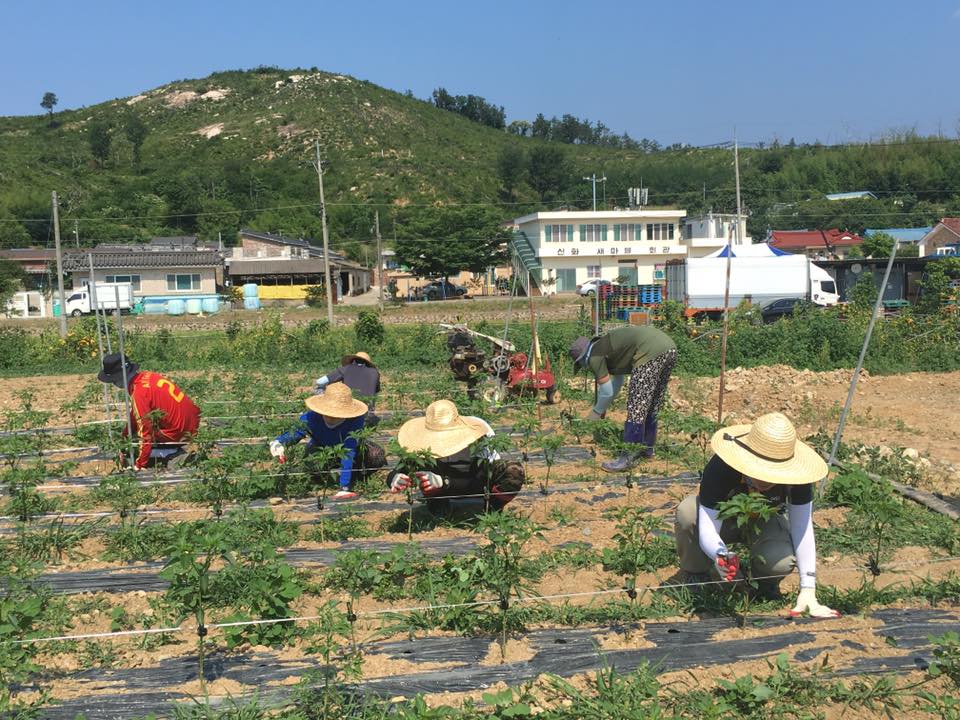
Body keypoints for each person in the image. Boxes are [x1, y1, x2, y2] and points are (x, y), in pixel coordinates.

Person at [674, 412, 840, 618]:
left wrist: (808, 590)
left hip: (765, 520)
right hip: (725, 518)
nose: (765, 480)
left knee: (780, 561)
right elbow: (708, 524)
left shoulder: (798, 479)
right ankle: (696, 575)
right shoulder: (721, 468)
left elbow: (802, 528)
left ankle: (762, 584)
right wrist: (721, 556)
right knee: (688, 512)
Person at [569, 326, 677, 472]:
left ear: (582, 359)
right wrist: (603, 406)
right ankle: (647, 449)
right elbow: (617, 382)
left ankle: (627, 459)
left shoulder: (594, 356)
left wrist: (595, 413)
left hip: (649, 351)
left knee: (637, 406)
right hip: (669, 348)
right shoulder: (605, 347)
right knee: (652, 403)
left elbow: (606, 391)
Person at [387, 399, 524, 512]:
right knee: (427, 477)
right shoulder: (423, 446)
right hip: (441, 494)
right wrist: (395, 478)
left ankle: (491, 508)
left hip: (477, 487)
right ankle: (440, 508)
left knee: (513, 470)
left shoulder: (478, 437)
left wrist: (445, 482)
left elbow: (483, 477)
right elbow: (398, 471)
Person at [270, 383, 385, 500]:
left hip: (349, 453)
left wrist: (344, 488)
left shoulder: (355, 420)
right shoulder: (312, 417)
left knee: (376, 454)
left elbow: (349, 450)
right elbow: (296, 432)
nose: (331, 417)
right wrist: (279, 442)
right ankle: (321, 478)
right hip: (322, 450)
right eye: (328, 413)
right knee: (313, 465)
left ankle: (355, 478)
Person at [97, 353, 201, 470]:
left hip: (179, 433)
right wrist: (124, 437)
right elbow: (136, 414)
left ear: (117, 379)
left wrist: (139, 465)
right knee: (136, 438)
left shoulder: (139, 393)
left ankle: (171, 454)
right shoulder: (148, 376)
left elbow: (145, 428)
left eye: (113, 381)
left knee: (137, 446)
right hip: (191, 424)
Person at [314, 351, 381, 426]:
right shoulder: (375, 373)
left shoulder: (345, 369)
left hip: (348, 408)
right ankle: (370, 413)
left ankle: (324, 412)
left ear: (353, 360)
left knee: (318, 388)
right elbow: (376, 392)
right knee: (374, 394)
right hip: (366, 410)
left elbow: (319, 382)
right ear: (368, 363)